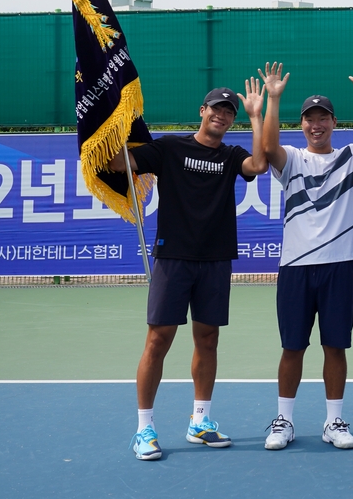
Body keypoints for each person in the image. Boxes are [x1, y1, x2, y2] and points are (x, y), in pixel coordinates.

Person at [111, 81, 269, 461]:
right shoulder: (170, 147)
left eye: (229, 111)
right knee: (158, 340)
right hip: (173, 259)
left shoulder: (232, 156)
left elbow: (260, 165)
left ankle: (200, 421)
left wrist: (256, 115)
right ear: (202, 110)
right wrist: (110, 124)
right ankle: (144, 428)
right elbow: (120, 163)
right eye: (216, 108)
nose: (221, 114)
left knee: (208, 339)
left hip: (215, 261)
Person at [258, 60, 353, 452]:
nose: (316, 125)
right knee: (293, 347)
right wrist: (274, 98)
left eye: (323, 119)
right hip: (296, 269)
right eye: (309, 120)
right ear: (302, 125)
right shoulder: (293, 160)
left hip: (338, 268)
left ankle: (334, 420)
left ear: (334, 122)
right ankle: (284, 419)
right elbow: (267, 148)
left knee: (336, 346)